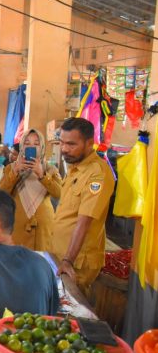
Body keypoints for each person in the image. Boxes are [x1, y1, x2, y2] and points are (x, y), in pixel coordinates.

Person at [47, 118, 115, 293]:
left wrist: (68, 260)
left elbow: (84, 221)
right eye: (61, 143)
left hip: (76, 261)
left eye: (71, 144)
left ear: (89, 143)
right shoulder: (75, 168)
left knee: (71, 310)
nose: (64, 149)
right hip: (60, 254)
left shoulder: (97, 174)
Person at [0, 129, 62, 251]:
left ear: (42, 147)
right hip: (17, 224)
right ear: (22, 146)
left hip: (43, 227)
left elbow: (59, 193)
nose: (31, 146)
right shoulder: (11, 168)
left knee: (41, 262)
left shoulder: (50, 169)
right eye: (27, 143)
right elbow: (1, 193)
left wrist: (42, 175)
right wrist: (15, 172)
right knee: (17, 262)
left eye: (36, 144)